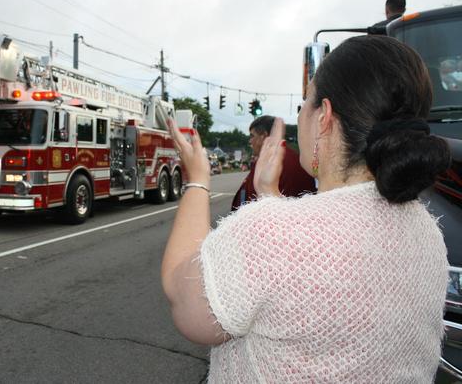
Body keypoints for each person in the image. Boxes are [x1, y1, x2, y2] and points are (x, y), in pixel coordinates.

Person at [162, 35, 451, 382]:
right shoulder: (429, 234)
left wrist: (197, 180)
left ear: (325, 116)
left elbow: (184, 300)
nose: (300, 114)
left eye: (305, 102)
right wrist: (269, 196)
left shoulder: (275, 233)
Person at [231, 115, 316, 211]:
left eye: (252, 136)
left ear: (264, 136)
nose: (250, 141)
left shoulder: (270, 163)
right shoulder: (295, 159)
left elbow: (255, 200)